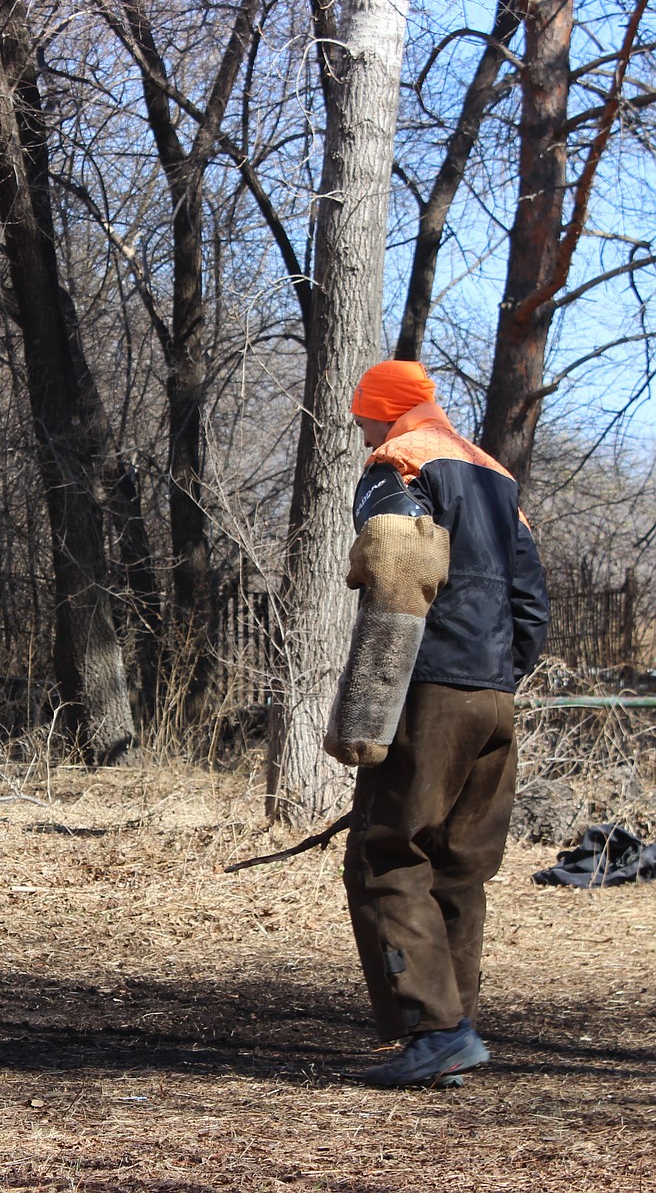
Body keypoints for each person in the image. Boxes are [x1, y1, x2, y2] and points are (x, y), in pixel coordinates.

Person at [324, 360, 549, 1088]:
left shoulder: (399, 461)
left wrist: (370, 706)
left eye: (363, 415)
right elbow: (532, 598)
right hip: (494, 695)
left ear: (385, 413)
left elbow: (397, 569)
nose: (360, 428)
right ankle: (456, 1028)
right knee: (460, 865)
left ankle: (435, 1031)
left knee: (387, 854)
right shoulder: (494, 474)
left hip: (429, 688)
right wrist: (500, 676)